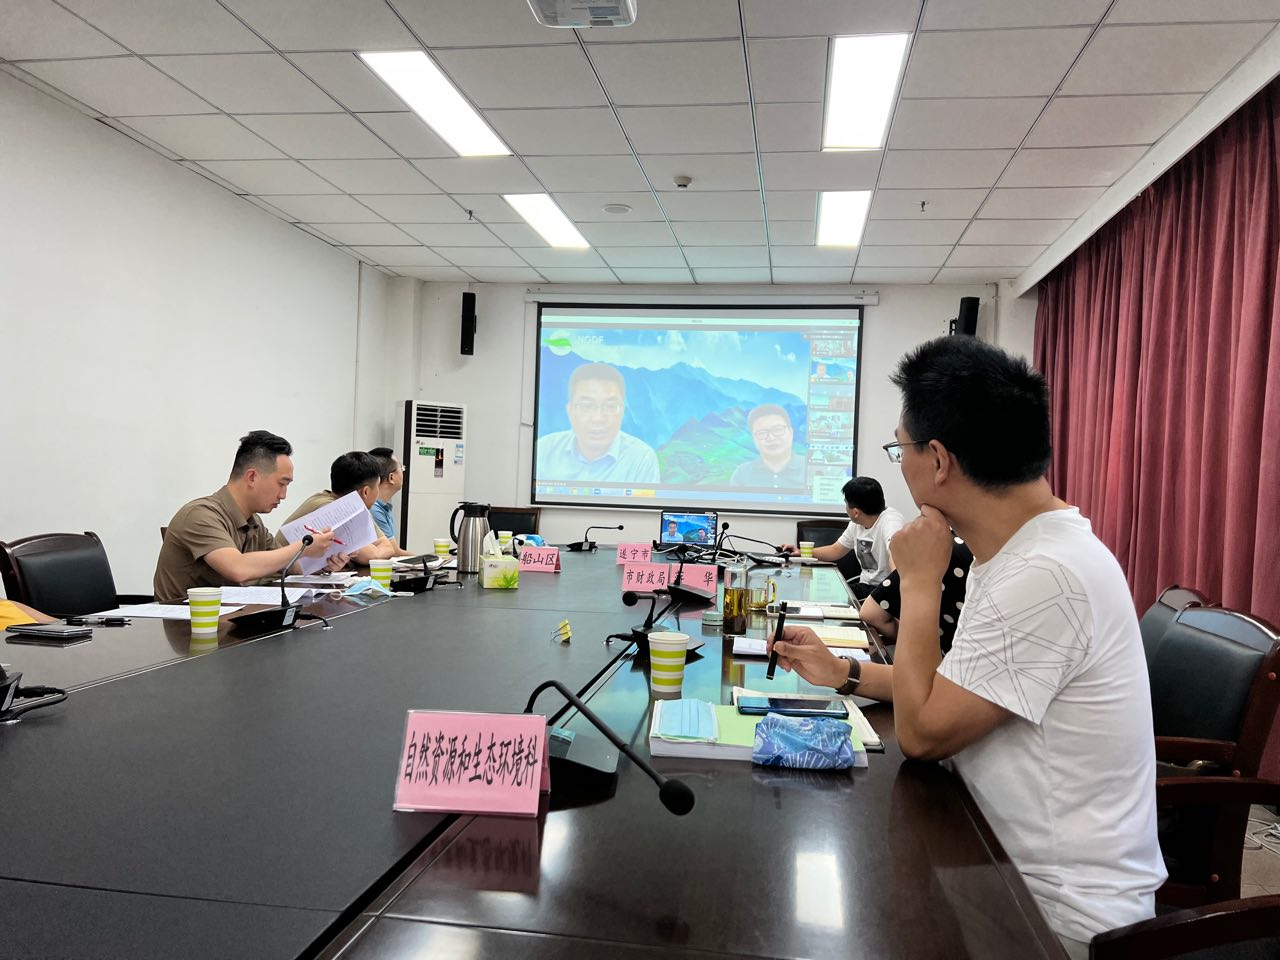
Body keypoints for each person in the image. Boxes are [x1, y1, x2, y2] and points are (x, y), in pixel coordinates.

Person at [770, 336, 1165, 957]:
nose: (899, 466)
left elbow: (923, 734)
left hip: (1049, 913)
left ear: (939, 460)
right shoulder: (1016, 553)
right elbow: (952, 688)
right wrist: (844, 671)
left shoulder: (1046, 574)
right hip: (983, 849)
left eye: (900, 449)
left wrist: (921, 582)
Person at [154, 431, 347, 603]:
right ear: (252, 477)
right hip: (187, 624)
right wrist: (303, 546)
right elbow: (237, 568)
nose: (283, 495)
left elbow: (289, 565)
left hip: (231, 618)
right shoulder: (201, 515)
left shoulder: (253, 522)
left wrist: (324, 562)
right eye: (281, 484)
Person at [783, 477, 906, 598]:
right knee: (827, 596)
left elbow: (896, 551)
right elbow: (836, 550)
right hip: (865, 587)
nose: (845, 507)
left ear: (856, 512)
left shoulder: (891, 520)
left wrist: (898, 591)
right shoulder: (856, 524)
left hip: (886, 590)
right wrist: (801, 552)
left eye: (846, 503)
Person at [536, 362, 659, 484]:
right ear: (570, 411)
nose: (598, 418)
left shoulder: (642, 458)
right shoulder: (544, 450)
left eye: (610, 406)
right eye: (586, 406)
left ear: (622, 412)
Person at [275, 451, 398, 563]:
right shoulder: (331, 509)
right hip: (279, 577)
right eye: (377, 486)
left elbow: (388, 547)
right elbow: (371, 556)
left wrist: (378, 551)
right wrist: (377, 552)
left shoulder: (357, 509)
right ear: (365, 492)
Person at [860, 535, 973, 653]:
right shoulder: (976, 556)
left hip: (928, 658)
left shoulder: (942, 549)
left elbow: (871, 613)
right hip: (965, 659)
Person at [730, 404, 806, 488]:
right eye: (762, 433)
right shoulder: (742, 474)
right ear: (754, 439)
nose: (771, 438)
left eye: (778, 429)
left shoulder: (811, 468)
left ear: (791, 432)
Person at [368, 446, 405, 550]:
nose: (403, 472)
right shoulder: (374, 509)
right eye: (401, 468)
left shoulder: (381, 506)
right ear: (391, 477)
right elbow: (394, 551)